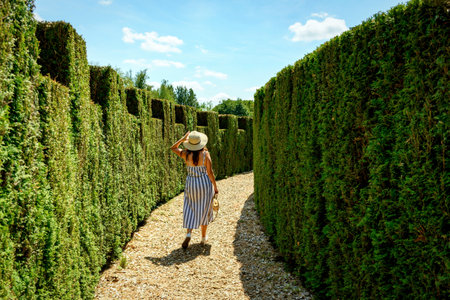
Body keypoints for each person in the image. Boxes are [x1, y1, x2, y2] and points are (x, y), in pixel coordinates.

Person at [170, 131, 219, 249]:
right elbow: (210, 172)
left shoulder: (185, 154)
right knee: (205, 208)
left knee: (190, 207)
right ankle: (203, 238)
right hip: (204, 184)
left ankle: (188, 233)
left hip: (191, 184)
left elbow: (173, 148)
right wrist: (215, 187)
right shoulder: (205, 154)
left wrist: (182, 139)